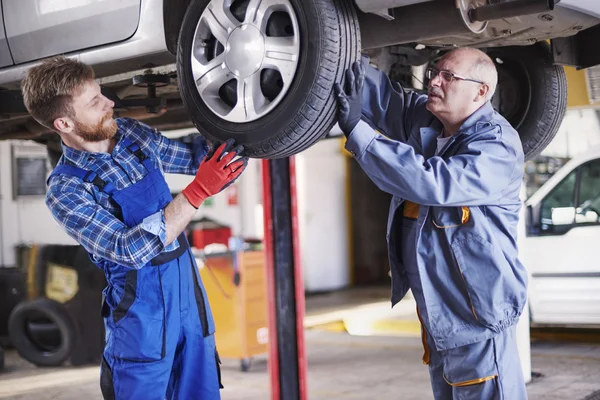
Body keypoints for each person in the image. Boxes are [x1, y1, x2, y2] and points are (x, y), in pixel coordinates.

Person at [21, 56, 248, 400]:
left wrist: (245, 123)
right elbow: (131, 250)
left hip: (189, 303)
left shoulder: (131, 135)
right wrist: (199, 190)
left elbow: (194, 158)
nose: (110, 102)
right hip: (141, 319)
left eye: (102, 93)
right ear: (64, 123)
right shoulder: (66, 191)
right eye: (95, 101)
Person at [334, 47, 528, 399]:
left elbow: (433, 182)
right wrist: (338, 48)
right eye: (434, 73)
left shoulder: (498, 147)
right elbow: (382, 99)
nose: (434, 81)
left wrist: (358, 134)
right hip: (442, 320)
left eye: (448, 77)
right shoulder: (429, 120)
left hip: (477, 323)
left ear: (480, 92)